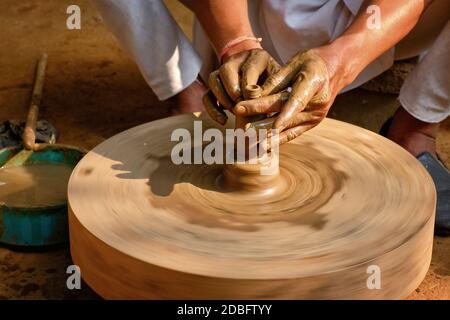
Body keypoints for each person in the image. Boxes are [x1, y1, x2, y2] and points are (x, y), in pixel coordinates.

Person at [93, 0, 449, 234]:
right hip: (245, 12)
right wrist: (237, 43)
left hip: (374, 22)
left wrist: (340, 61)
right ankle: (187, 93)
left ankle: (417, 127)